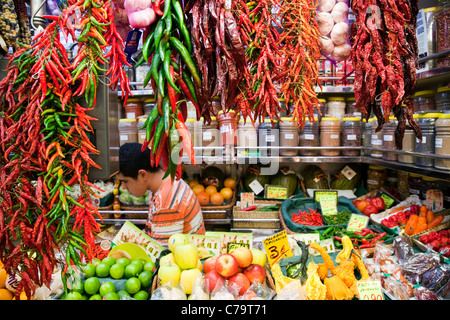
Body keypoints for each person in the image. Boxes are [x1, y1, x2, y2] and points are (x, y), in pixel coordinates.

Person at [116, 142, 205, 247]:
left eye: (125, 181)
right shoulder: (163, 184)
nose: (123, 187)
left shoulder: (166, 203)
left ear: (143, 174)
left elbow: (162, 255)